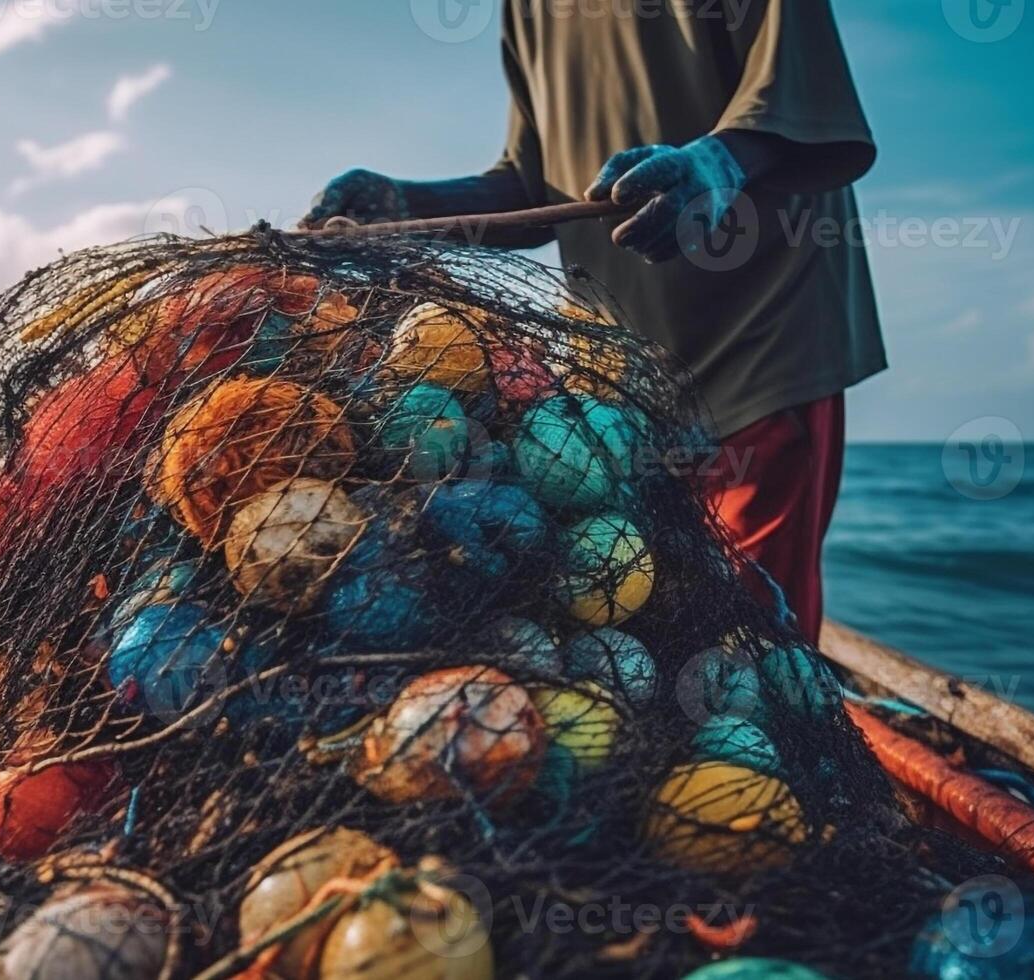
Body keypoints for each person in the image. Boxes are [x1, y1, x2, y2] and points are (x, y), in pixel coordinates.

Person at [301, 0, 885, 643]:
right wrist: (408, 204)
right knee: (644, 613)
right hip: (617, 378)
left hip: (761, 335)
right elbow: (532, 187)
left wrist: (717, 165)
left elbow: (802, 101)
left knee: (752, 629)